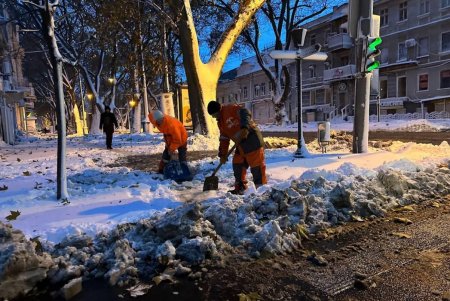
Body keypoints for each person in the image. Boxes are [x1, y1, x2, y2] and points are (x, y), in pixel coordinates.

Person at [207, 100, 267, 195]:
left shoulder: (230, 109)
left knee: (256, 167)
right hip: (240, 145)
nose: (214, 117)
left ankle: (262, 191)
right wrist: (223, 154)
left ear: (218, 110)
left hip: (252, 140)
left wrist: (245, 127)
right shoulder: (221, 123)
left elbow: (245, 112)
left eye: (214, 115)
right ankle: (240, 187)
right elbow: (224, 139)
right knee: (237, 165)